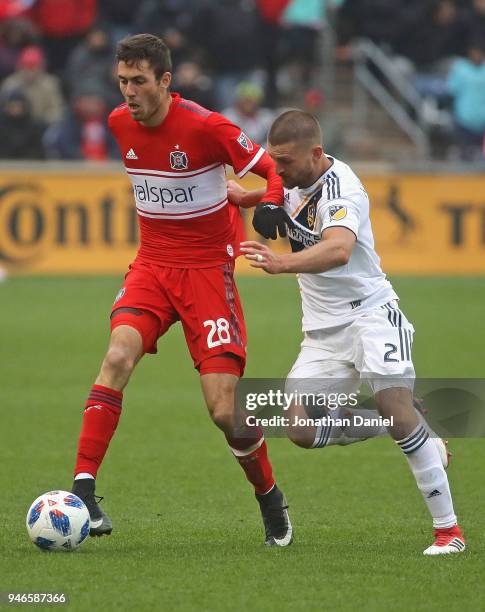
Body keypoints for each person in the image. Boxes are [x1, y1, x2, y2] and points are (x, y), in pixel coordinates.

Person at [70, 33, 293, 548]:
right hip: (151, 266)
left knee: (223, 411)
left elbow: (270, 167)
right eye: (122, 81)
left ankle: (269, 494)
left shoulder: (206, 125)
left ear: (165, 81)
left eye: (139, 81)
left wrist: (271, 202)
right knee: (117, 355)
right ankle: (83, 489)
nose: (128, 92)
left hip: (206, 275)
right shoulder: (117, 124)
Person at [230, 109, 465, 555]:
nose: (277, 171)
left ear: (316, 154)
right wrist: (248, 196)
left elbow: (338, 250)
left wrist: (280, 263)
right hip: (321, 334)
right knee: (299, 429)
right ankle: (401, 426)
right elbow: (285, 192)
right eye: (273, 161)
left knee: (393, 401)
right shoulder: (297, 179)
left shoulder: (343, 191)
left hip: (371, 317)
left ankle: (448, 532)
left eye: (285, 162)